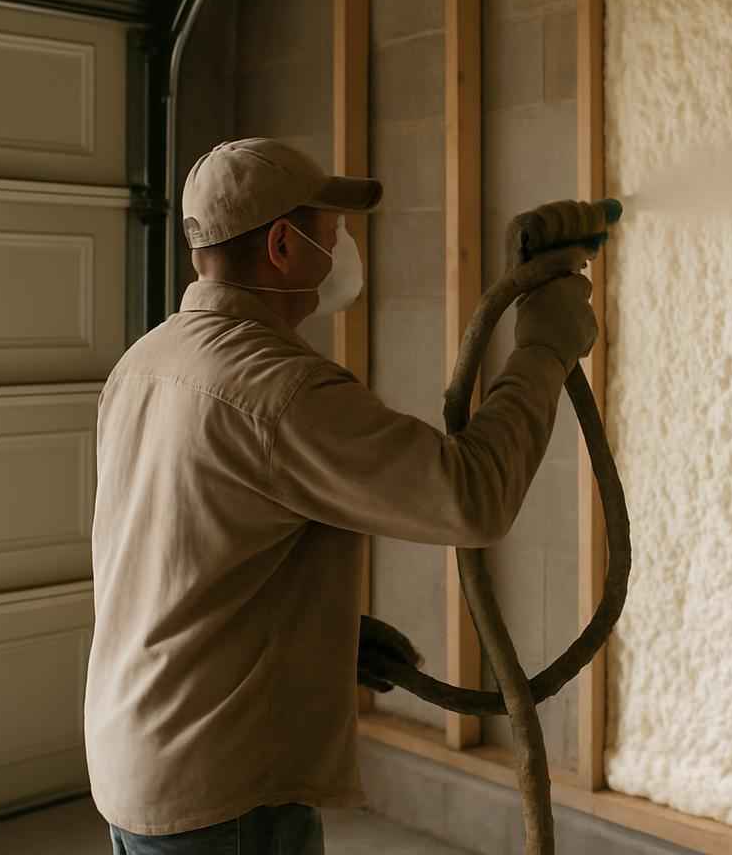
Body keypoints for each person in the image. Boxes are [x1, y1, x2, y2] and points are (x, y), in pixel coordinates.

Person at [85, 138, 601, 854]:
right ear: (282, 247)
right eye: (331, 229)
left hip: (138, 757)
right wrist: (544, 350)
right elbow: (471, 498)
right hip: (225, 792)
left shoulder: (143, 365)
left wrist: (314, 633)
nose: (343, 246)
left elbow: (175, 551)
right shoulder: (280, 390)